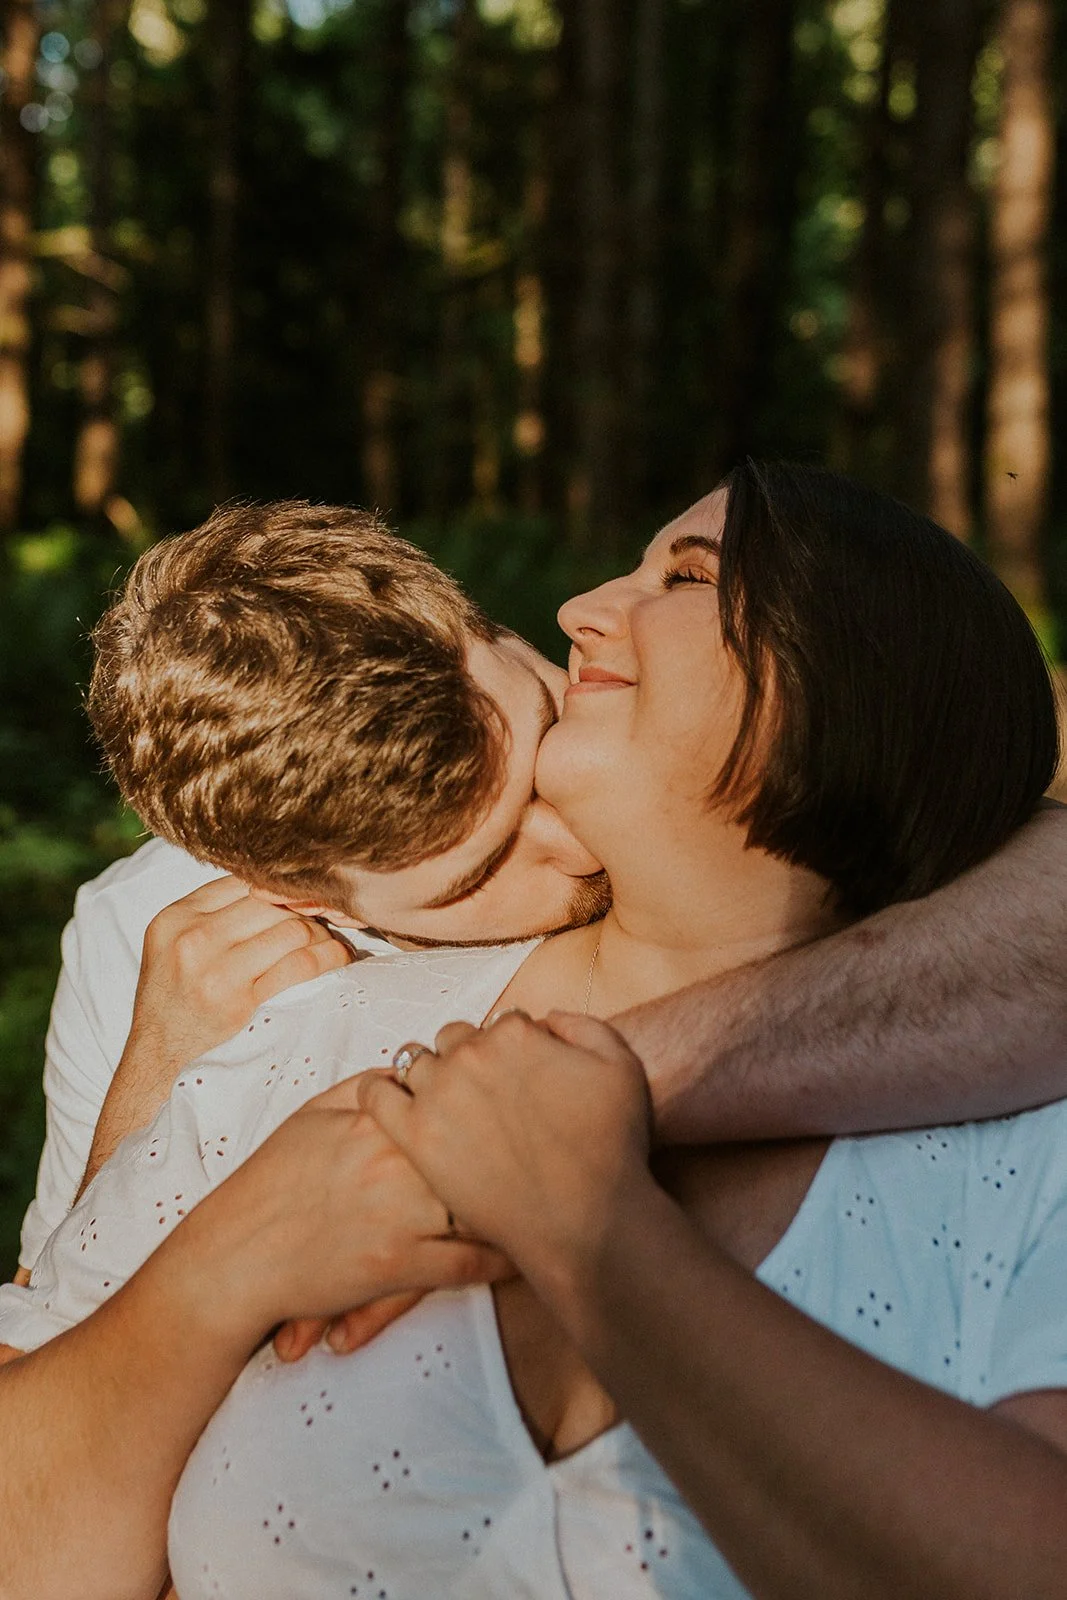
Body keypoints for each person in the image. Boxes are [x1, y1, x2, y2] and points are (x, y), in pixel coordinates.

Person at [5, 462, 1065, 1597]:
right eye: (482, 866)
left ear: (862, 667)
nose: (579, 609)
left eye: (689, 572)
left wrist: (583, 1204)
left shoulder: (1010, 1088)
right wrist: (222, 1256)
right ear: (308, 898)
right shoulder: (260, 1014)